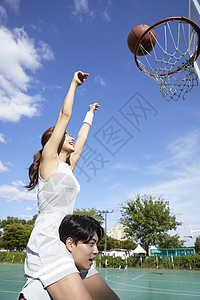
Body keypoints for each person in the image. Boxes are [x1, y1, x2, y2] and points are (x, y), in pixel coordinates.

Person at [19, 71, 119, 299]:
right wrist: (74, 84)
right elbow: (64, 115)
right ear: (54, 142)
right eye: (66, 135)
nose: (71, 137)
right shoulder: (49, 162)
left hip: (69, 238)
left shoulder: (67, 167)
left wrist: (89, 114)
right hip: (49, 238)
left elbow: (82, 140)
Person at [18, 214, 119, 299]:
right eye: (91, 244)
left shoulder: (84, 277)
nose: (96, 251)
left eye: (96, 245)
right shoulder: (37, 290)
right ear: (70, 244)